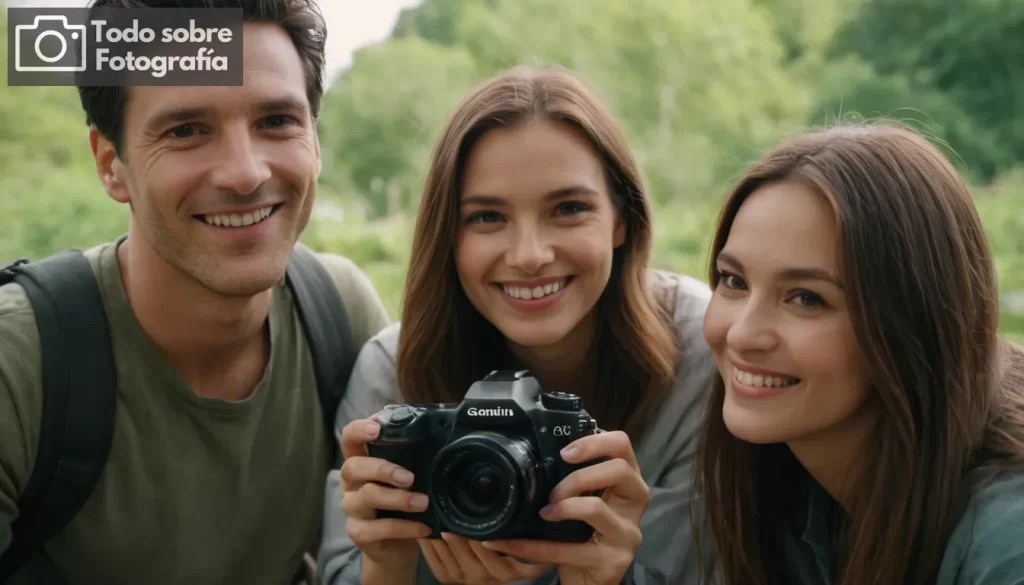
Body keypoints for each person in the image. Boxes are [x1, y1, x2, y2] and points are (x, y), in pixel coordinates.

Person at [0, 1, 391, 583]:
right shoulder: (19, 364)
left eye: (277, 121)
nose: (245, 172)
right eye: (187, 130)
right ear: (111, 165)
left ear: (315, 138)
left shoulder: (339, 315)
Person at [316, 65, 719, 585]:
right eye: (487, 217)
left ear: (622, 219)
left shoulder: (699, 355)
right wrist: (386, 568)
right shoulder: (393, 373)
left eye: (569, 209)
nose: (529, 256)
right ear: (448, 235)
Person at [694, 122, 1024, 585]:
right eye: (734, 281)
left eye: (807, 298)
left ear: (914, 321)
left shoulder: (1006, 541)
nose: (743, 335)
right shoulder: (779, 481)